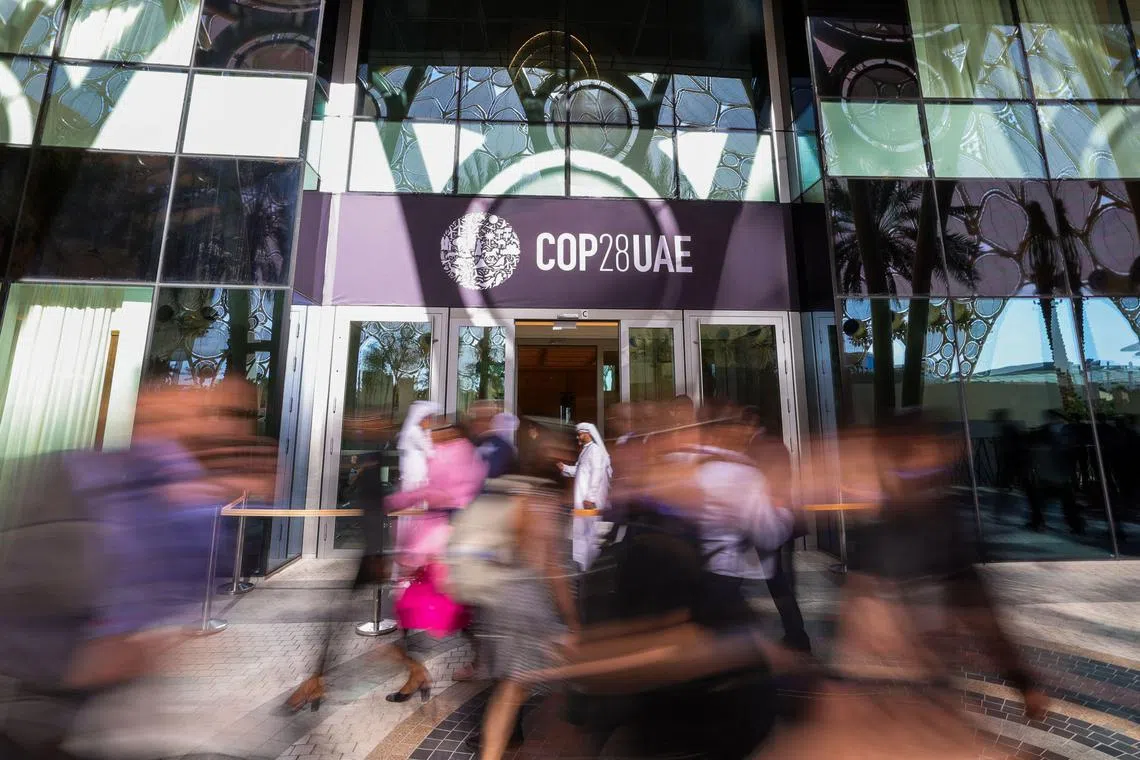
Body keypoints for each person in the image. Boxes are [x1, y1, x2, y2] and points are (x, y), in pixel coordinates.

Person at [384, 422, 487, 702]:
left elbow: (440, 494)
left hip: (444, 546)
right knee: (442, 612)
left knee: (448, 611)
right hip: (440, 545)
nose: (433, 434)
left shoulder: (455, 455)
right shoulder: (457, 454)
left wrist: (402, 499)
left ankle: (423, 672)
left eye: (439, 429)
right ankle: (417, 673)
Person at [559, 422, 612, 571]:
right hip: (582, 499)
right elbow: (580, 470)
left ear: (588, 434)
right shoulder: (586, 451)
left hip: (590, 501)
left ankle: (591, 566)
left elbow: (597, 474)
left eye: (581, 434)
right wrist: (565, 468)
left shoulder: (595, 451)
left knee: (590, 533)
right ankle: (581, 565)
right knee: (581, 531)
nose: (578, 436)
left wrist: (591, 497)